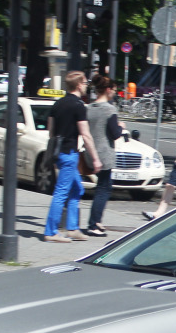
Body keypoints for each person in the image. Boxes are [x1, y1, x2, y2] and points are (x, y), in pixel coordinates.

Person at [42, 71, 101, 243]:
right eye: (84, 83)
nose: (86, 86)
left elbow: (51, 131)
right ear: (78, 85)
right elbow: (86, 134)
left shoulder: (58, 104)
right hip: (70, 154)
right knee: (61, 192)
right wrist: (95, 158)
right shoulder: (78, 105)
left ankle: (73, 228)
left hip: (60, 152)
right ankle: (50, 231)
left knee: (77, 189)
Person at [83, 75, 125, 237]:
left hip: (90, 151)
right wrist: (121, 126)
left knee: (101, 187)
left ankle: (96, 222)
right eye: (114, 90)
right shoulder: (109, 109)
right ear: (108, 90)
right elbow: (115, 134)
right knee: (103, 189)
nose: (114, 93)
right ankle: (94, 224)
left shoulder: (89, 108)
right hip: (104, 153)